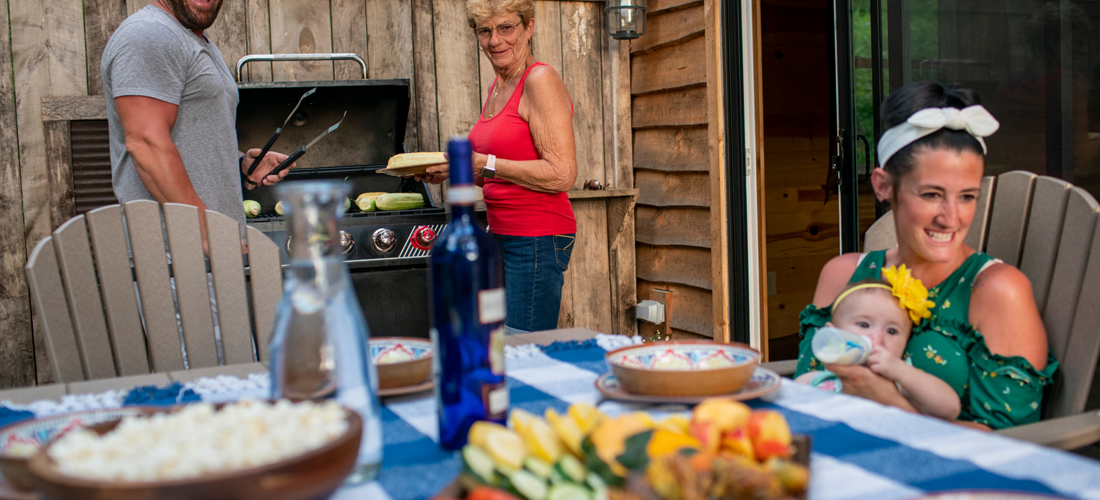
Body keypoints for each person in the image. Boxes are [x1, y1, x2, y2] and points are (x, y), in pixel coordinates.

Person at [793, 81, 1058, 430]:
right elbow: (807, 393)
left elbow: (1010, 440)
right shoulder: (844, 276)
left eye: (967, 196)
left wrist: (889, 402)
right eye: (932, 194)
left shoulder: (997, 291)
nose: (951, 218)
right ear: (883, 186)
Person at [418, 0, 578, 334]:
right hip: (501, 235)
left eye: (506, 27)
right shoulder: (498, 86)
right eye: (485, 31)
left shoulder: (540, 79)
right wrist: (455, 171)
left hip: (536, 238)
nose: (495, 40)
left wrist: (484, 163)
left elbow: (562, 174)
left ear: (528, 27)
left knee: (523, 347)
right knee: (500, 346)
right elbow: (496, 175)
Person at [102, 0, 294, 254]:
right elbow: (146, 144)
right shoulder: (149, 34)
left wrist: (241, 166)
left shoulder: (193, 40)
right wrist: (209, 232)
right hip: (174, 255)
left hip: (205, 250)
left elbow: (188, 139)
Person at [795, 271, 961, 421]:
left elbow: (949, 409)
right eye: (864, 325)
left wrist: (901, 371)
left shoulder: (899, 383)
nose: (877, 337)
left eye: (891, 331)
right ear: (834, 334)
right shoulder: (815, 380)